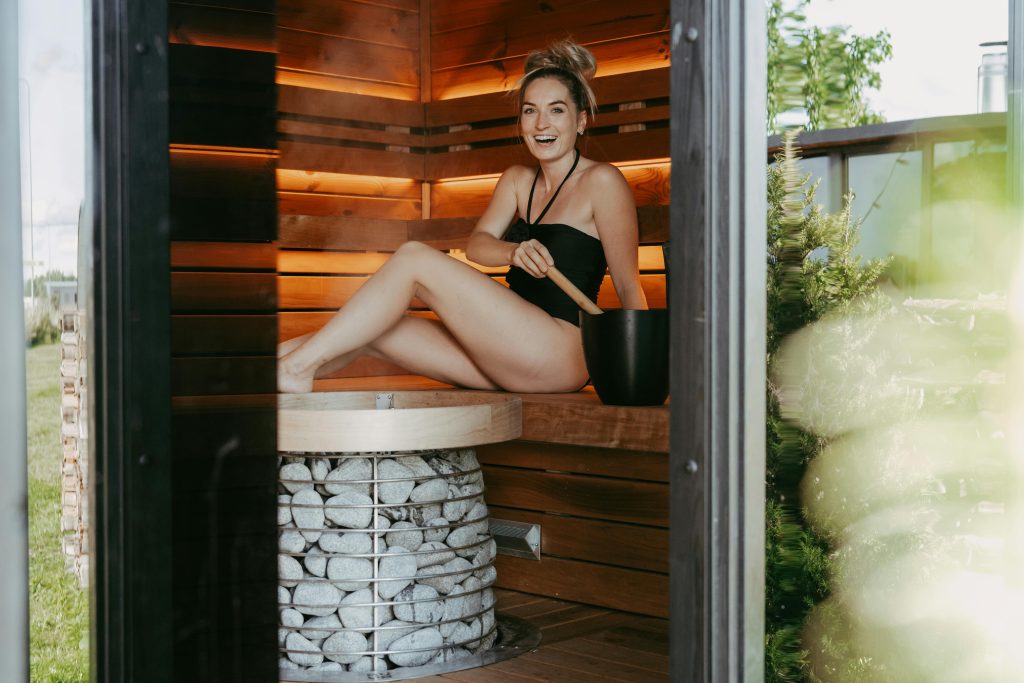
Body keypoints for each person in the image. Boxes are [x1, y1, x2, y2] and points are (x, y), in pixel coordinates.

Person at [278, 40, 648, 394]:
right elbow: (477, 245)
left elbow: (629, 284)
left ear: (580, 121)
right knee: (377, 329)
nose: (541, 124)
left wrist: (640, 371)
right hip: (505, 349)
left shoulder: (602, 181)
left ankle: (295, 370)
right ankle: (267, 370)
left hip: (560, 352)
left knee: (413, 257)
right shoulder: (518, 181)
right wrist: (512, 253)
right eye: (530, 110)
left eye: (556, 110)